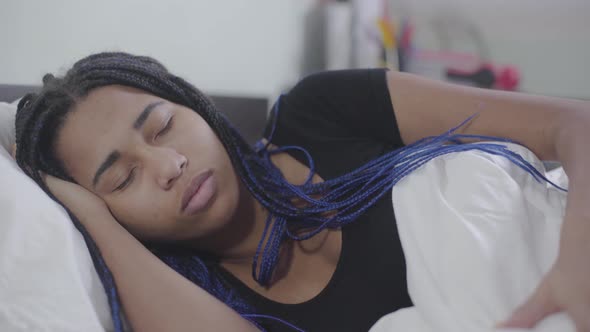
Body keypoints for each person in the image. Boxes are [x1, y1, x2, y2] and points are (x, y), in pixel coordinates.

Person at [13, 52, 590, 332]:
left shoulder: (321, 112)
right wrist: (93, 219)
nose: (167, 165)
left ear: (195, 105)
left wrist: (575, 256)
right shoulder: (205, 304)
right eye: (122, 179)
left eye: (163, 124)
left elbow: (572, 126)